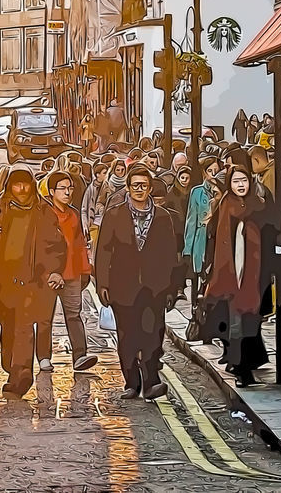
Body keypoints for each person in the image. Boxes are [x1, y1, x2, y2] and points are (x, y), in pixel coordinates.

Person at [95, 165, 183, 400]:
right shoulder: (114, 214)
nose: (139, 190)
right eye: (135, 185)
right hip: (123, 286)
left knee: (153, 335)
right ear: (128, 187)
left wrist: (173, 288)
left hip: (155, 286)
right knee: (128, 336)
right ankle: (132, 383)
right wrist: (102, 283)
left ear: (150, 188)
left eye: (144, 185)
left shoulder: (163, 217)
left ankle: (152, 382)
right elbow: (103, 251)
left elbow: (170, 254)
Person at [0, 166, 66, 396]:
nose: (22, 189)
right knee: (7, 324)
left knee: (24, 327)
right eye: (17, 184)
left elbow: (57, 245)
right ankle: (12, 368)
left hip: (32, 278)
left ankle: (22, 375)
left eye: (26, 184)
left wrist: (55, 271)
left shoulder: (43, 211)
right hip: (4, 278)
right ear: (9, 186)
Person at [203, 165, 270, 387]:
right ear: (229, 184)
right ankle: (241, 370)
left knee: (251, 321)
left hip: (255, 272)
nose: (241, 185)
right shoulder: (226, 205)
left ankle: (246, 364)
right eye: (236, 181)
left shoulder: (259, 206)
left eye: (244, 180)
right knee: (236, 323)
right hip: (232, 273)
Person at [42, 171, 98, 373]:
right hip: (48, 275)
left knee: (74, 315)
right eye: (62, 188)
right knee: (44, 317)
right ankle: (44, 357)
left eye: (70, 188)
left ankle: (80, 355)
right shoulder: (43, 213)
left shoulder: (74, 214)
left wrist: (85, 270)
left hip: (72, 273)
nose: (67, 192)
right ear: (51, 192)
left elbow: (79, 244)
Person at [183, 156, 221, 301]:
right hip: (201, 236)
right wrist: (188, 248)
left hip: (217, 236)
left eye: (216, 171)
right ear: (204, 173)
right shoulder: (197, 192)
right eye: (210, 171)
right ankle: (196, 308)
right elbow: (191, 220)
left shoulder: (224, 190)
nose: (213, 174)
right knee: (199, 274)